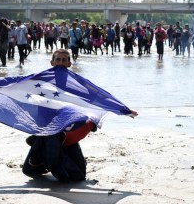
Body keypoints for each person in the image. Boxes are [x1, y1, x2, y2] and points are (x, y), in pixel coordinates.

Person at [22, 49, 138, 182]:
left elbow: (99, 97)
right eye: (58, 60)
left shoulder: (76, 84)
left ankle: (41, 148)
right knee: (30, 169)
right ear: (52, 62)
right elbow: (18, 85)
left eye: (64, 60)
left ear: (69, 63)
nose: (61, 63)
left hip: (68, 131)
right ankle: (43, 148)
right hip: (48, 130)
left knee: (78, 175)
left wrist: (123, 110)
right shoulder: (41, 81)